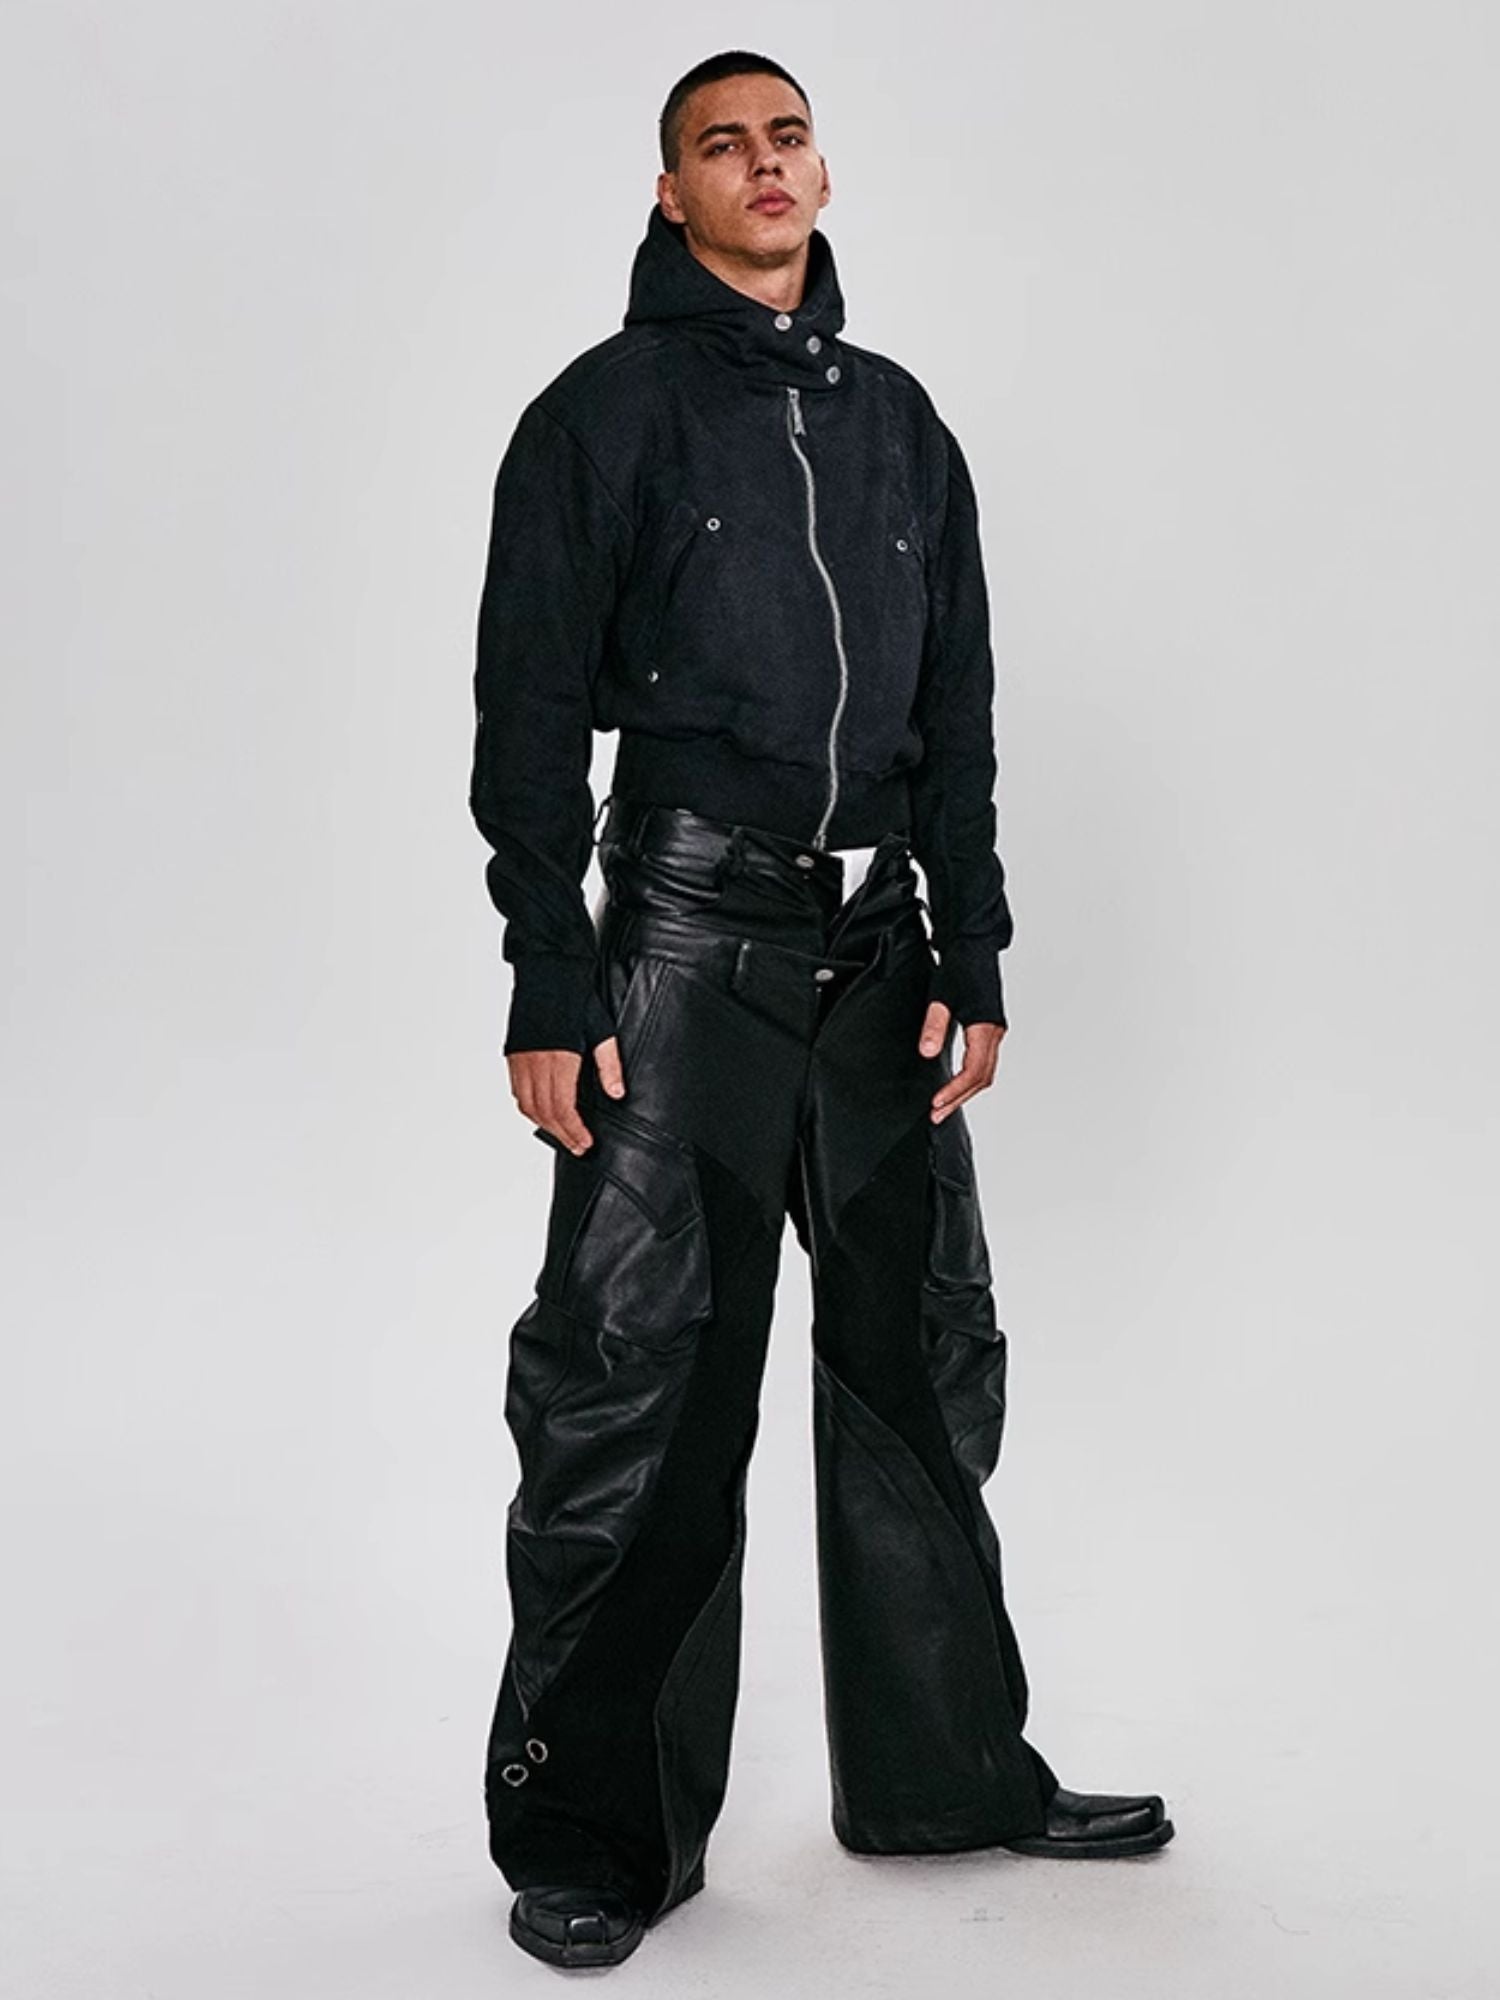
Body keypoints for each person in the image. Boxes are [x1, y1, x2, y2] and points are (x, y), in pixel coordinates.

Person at [468, 50, 1175, 1971]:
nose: (763, 165)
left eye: (786, 137)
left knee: (918, 1364)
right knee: (636, 1386)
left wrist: (975, 949)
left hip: (879, 956)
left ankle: (944, 1777)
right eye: (724, 145)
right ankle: (598, 1837)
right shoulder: (602, 417)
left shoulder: (901, 426)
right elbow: (526, 718)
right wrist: (550, 974)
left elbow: (960, 713)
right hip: (684, 949)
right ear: (672, 192)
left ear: (823, 173)